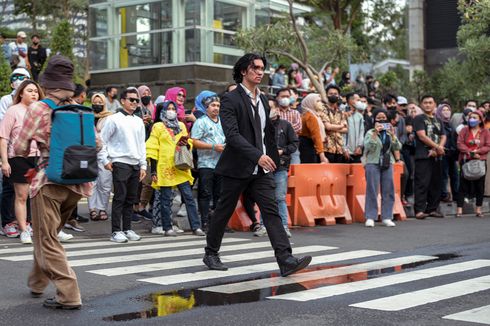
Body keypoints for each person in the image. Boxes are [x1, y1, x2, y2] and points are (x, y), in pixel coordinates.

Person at [203, 53, 311, 276]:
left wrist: (274, 161)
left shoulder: (263, 99)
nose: (261, 72)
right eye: (256, 68)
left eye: (263, 68)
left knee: (271, 212)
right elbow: (232, 136)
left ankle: (286, 259)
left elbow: (266, 135)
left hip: (261, 170)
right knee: (223, 211)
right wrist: (256, 156)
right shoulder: (230, 100)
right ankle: (211, 253)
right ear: (244, 71)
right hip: (236, 167)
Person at [14, 55, 87, 310]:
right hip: (78, 185)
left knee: (47, 240)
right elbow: (96, 144)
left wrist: (37, 145)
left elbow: (20, 145)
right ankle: (37, 281)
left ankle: (69, 294)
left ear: (47, 82)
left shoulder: (39, 108)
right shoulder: (79, 108)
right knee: (49, 235)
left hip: (48, 183)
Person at [146, 101, 205, 236]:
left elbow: (189, 143)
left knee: (189, 198)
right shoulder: (158, 126)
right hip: (165, 167)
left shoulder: (181, 125)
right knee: (166, 200)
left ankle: (196, 227)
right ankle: (167, 228)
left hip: (181, 166)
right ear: (163, 111)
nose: (171, 111)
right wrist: (154, 170)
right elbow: (153, 147)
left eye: (174, 108)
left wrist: (186, 143)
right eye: (169, 109)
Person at [99, 88, 147, 243]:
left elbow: (142, 145)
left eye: (136, 100)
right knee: (120, 197)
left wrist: (143, 165)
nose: (134, 103)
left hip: (135, 163)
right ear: (123, 100)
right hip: (119, 161)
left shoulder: (138, 121)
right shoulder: (114, 119)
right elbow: (102, 140)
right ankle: (115, 231)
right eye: (131, 99)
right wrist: (105, 160)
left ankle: (127, 228)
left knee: (131, 198)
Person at [0, 80, 43, 243]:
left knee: (40, 196)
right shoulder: (13, 111)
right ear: (21, 93)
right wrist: (5, 162)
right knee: (22, 196)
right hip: (19, 158)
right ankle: (24, 229)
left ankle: (40, 227)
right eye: (30, 91)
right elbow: (3, 138)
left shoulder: (40, 112)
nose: (34, 94)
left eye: (36, 91)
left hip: (38, 157)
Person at [254, 105, 298, 237]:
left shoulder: (285, 125)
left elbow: (294, 144)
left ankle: (284, 226)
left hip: (280, 166)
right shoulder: (259, 124)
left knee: (279, 197)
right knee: (265, 197)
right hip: (264, 165)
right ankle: (263, 225)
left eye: (272, 107)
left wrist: (282, 151)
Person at [191, 91, 226, 232]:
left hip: (222, 164)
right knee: (205, 193)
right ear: (206, 108)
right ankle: (204, 221)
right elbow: (193, 141)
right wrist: (212, 146)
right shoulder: (201, 122)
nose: (216, 108)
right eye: (213, 105)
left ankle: (217, 223)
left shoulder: (223, 122)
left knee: (220, 194)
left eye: (218, 105)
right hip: (206, 163)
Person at [363, 109, 402, 227]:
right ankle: (370, 217)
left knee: (388, 190)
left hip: (387, 163)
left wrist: (393, 135)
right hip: (372, 163)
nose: (381, 120)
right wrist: (375, 133)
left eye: (383, 118)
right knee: (372, 190)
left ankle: (387, 216)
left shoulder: (390, 133)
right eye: (378, 118)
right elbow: (369, 146)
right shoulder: (370, 132)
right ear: (374, 120)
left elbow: (398, 146)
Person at [413, 95, 447, 219]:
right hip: (423, 155)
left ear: (434, 104)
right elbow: (422, 136)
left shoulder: (438, 120)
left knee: (436, 183)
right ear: (421, 105)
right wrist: (437, 147)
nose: (428, 105)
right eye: (425, 102)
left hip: (437, 156)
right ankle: (419, 210)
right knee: (422, 183)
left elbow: (443, 135)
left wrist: (439, 148)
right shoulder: (419, 118)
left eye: (430, 102)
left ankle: (432, 209)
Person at [456, 111, 490, 217]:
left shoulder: (485, 132)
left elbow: (488, 146)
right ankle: (459, 210)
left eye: (474, 118)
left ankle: (478, 209)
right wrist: (470, 152)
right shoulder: (464, 130)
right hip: (466, 160)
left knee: (480, 186)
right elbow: (459, 143)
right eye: (470, 118)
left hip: (480, 161)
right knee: (462, 185)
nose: (472, 120)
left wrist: (477, 152)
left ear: (480, 120)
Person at [87, 93, 112, 221]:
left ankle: (103, 208)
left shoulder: (110, 118)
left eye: (100, 102)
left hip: (106, 154)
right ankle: (92, 209)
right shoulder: (88, 117)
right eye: (95, 102)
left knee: (105, 183)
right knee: (91, 182)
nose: (97, 105)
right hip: (90, 153)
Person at [436, 103, 459, 202]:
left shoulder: (451, 124)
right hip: (442, 153)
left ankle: (457, 195)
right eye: (444, 110)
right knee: (444, 175)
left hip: (452, 154)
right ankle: (443, 195)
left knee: (455, 175)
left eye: (448, 110)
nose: (446, 112)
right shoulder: (438, 123)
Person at [298, 94, 329, 164]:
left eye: (320, 101)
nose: (320, 103)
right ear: (310, 103)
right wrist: (322, 156)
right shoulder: (310, 116)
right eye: (317, 101)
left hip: (308, 145)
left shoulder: (313, 114)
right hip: (308, 146)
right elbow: (316, 136)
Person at [275, 88, 302, 164]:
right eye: (283, 96)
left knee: (295, 169)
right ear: (277, 98)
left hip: (292, 146)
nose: (285, 98)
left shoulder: (295, 113)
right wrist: (288, 128)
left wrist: (282, 129)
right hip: (277, 147)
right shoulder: (274, 112)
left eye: (287, 96)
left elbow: (299, 127)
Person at [323, 85, 348, 163]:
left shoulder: (341, 112)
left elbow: (346, 130)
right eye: (331, 94)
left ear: (339, 96)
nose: (333, 95)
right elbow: (327, 127)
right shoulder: (323, 109)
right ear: (326, 95)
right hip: (327, 147)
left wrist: (333, 127)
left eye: (335, 94)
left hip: (339, 148)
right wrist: (340, 126)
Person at [344, 93, 365, 163]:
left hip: (357, 152)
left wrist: (359, 146)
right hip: (345, 152)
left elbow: (361, 132)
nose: (360, 102)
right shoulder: (342, 113)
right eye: (357, 100)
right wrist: (344, 149)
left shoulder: (360, 116)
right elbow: (342, 134)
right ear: (350, 100)